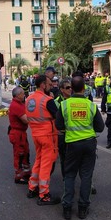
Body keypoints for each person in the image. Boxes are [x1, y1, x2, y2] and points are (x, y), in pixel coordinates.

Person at [56, 76, 105, 220]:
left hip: (72, 144)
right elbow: (100, 127)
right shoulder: (91, 105)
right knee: (86, 176)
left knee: (70, 175)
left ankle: (67, 208)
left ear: (71, 88)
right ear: (84, 89)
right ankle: (83, 208)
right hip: (89, 144)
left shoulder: (64, 105)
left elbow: (58, 125)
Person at [25, 74, 60, 206]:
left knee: (38, 161)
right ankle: (44, 194)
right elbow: (57, 117)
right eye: (49, 84)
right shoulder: (47, 100)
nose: (51, 86)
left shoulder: (28, 99)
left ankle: (32, 187)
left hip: (35, 135)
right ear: (42, 85)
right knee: (46, 164)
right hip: (47, 136)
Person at [8, 86, 31, 184]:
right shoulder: (16, 106)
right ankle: (19, 175)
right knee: (20, 154)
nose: (24, 94)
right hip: (17, 133)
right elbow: (26, 119)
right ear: (18, 95)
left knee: (25, 152)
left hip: (21, 133)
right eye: (22, 93)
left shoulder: (19, 103)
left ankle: (25, 173)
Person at [54, 78, 72, 178]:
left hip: (74, 135)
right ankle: (66, 180)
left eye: (71, 87)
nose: (70, 89)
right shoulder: (57, 102)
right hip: (63, 135)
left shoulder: (75, 100)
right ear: (61, 89)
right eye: (68, 87)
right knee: (64, 159)